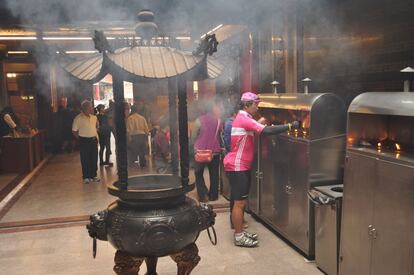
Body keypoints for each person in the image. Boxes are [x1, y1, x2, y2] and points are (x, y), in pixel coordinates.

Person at [223, 92, 299, 247]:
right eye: (255, 104)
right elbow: (266, 131)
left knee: (241, 202)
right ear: (247, 105)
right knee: (239, 204)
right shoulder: (243, 118)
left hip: (242, 165)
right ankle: (238, 236)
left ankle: (240, 232)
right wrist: (290, 125)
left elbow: (260, 128)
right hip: (238, 166)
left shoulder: (246, 118)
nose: (257, 107)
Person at [191, 101, 222, 203]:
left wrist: (193, 145)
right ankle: (213, 196)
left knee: (198, 173)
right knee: (214, 174)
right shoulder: (218, 120)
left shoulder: (198, 120)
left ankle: (203, 195)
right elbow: (218, 135)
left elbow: (193, 136)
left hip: (200, 151)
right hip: (215, 152)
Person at [72, 100, 100, 184]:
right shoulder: (78, 118)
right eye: (90, 106)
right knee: (85, 159)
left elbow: (97, 126)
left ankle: (93, 175)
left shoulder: (94, 117)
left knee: (94, 158)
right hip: (84, 140)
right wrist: (80, 138)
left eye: (91, 106)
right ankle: (86, 176)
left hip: (93, 140)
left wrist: (95, 133)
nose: (91, 108)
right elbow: (74, 131)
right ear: (84, 108)